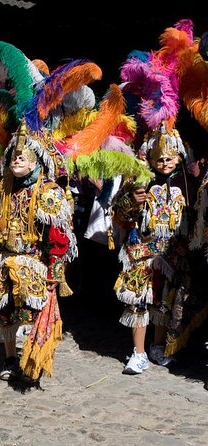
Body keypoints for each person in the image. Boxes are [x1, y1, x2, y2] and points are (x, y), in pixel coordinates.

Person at [0, 121, 76, 382]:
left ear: (37, 161)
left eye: (23, 156)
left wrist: (55, 272)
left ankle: (32, 359)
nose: (17, 158)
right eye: (14, 155)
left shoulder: (49, 192)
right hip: (4, 257)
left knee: (33, 313)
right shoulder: (2, 189)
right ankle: (10, 359)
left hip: (34, 262)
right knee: (5, 312)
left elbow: (60, 237)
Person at [113, 124, 196, 374]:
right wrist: (132, 202)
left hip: (171, 254)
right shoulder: (138, 182)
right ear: (148, 158)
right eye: (158, 158)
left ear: (179, 156)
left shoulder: (186, 184)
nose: (164, 162)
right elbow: (118, 215)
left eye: (170, 157)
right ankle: (138, 353)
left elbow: (193, 219)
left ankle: (157, 347)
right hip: (141, 252)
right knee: (139, 302)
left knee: (162, 302)